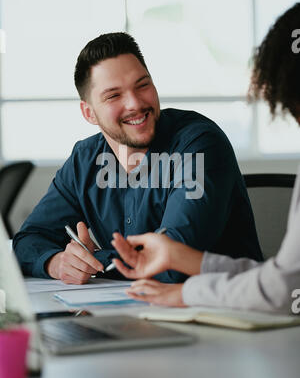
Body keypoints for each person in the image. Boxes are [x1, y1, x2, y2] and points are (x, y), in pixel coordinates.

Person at [13, 32, 262, 285]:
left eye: (142, 85)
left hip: (222, 310)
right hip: (133, 311)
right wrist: (56, 262)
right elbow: (27, 240)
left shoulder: (198, 145)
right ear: (89, 113)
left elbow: (174, 258)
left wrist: (96, 260)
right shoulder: (85, 160)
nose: (135, 103)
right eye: (114, 95)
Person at [111, 3, 300, 314]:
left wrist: (187, 292)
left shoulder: (198, 140)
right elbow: (282, 277)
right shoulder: (84, 155)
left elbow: (283, 290)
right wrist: (178, 256)